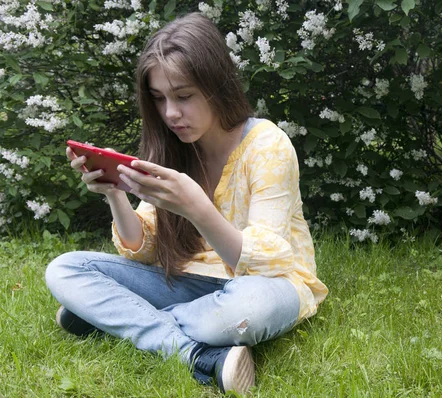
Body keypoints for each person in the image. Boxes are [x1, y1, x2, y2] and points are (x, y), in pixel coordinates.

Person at [45, 12, 328, 395]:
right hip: (190, 284)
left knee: (242, 310)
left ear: (216, 86)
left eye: (183, 96)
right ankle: (198, 356)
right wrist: (114, 192)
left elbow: (271, 263)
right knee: (66, 269)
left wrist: (197, 207)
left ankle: (112, 318)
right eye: (159, 99)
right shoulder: (172, 148)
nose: (171, 113)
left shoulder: (268, 145)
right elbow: (143, 251)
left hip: (266, 287)